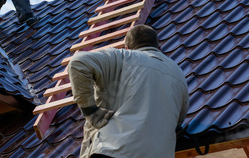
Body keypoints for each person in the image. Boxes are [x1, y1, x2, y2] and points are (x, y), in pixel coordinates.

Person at [68, 25, 189, 158]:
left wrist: (91, 111)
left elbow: (78, 63)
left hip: (112, 150)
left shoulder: (123, 57)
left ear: (127, 48)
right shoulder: (178, 74)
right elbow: (178, 120)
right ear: (159, 48)